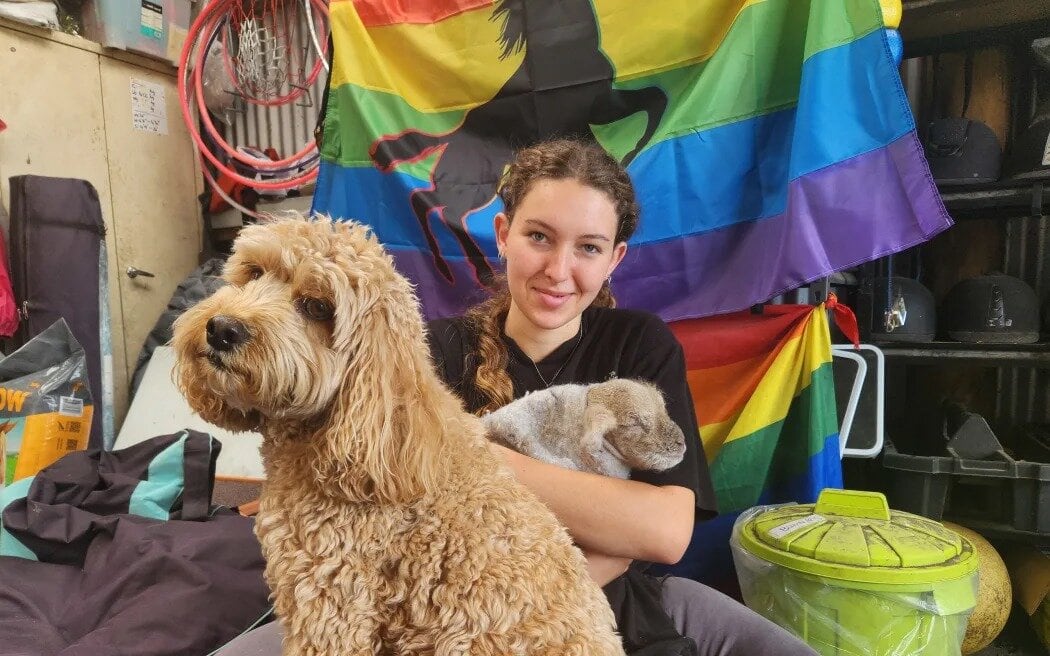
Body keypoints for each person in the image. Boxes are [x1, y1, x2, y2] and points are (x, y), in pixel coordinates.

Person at [215, 139, 816, 656]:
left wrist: (469, 459)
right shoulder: (433, 350)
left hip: (621, 610)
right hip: (436, 618)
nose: (559, 269)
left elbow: (662, 532)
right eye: (539, 236)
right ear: (503, 234)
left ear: (615, 259)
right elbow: (379, 506)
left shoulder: (640, 347)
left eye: (588, 247)